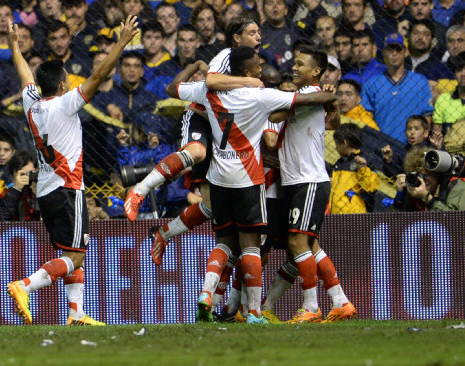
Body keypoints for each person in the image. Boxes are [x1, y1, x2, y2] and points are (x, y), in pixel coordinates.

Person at [166, 46, 338, 324]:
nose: (261, 68)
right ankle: (253, 311)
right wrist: (329, 94)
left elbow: (173, 88)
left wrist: (192, 66)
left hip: (219, 177)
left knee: (226, 242)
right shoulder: (262, 96)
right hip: (251, 179)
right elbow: (301, 107)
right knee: (252, 247)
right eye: (257, 66)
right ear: (248, 72)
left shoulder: (209, 92)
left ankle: (213, 297)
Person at [5, 15, 138, 326]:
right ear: (63, 85)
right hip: (68, 189)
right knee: (75, 256)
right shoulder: (66, 104)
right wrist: (122, 42)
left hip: (47, 192)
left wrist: (14, 46)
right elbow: (98, 74)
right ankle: (24, 286)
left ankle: (76, 313)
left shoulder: (31, 103)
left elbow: (24, 73)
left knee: (72, 251)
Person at [124, 16, 264, 264]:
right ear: (237, 38)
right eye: (252, 32)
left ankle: (163, 233)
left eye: (258, 32)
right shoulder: (227, 56)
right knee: (197, 152)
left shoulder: (255, 64)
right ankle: (140, 190)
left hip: (226, 135)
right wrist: (248, 81)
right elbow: (210, 81)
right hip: (201, 119)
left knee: (211, 207)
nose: (259, 37)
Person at [275, 45, 355, 323]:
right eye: (294, 62)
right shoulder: (313, 97)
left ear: (316, 71)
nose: (294, 67)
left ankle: (310, 306)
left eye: (301, 64)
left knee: (297, 242)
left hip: (308, 181)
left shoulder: (308, 95)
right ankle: (341, 301)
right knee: (310, 246)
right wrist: (329, 102)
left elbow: (274, 116)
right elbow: (332, 124)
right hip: (301, 181)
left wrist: (323, 100)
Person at [361, 33, 433, 144]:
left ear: (406, 52)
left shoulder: (419, 81)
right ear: (384, 52)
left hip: (414, 144)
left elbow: (427, 116)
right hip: (384, 144)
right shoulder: (372, 84)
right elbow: (367, 117)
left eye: (398, 50)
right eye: (390, 50)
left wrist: (421, 141)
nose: (394, 54)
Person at [329, 123, 380, 214]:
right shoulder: (339, 163)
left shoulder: (366, 159)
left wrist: (362, 168)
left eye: (337, 143)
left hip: (355, 216)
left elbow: (372, 187)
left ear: (344, 142)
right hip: (335, 215)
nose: (336, 148)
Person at [0, 150, 40, 221]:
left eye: (30, 173)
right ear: (12, 175)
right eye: (22, 174)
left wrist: (38, 192)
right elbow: (1, 221)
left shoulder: (46, 191)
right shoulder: (6, 195)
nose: (26, 178)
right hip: (17, 231)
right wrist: (16, 190)